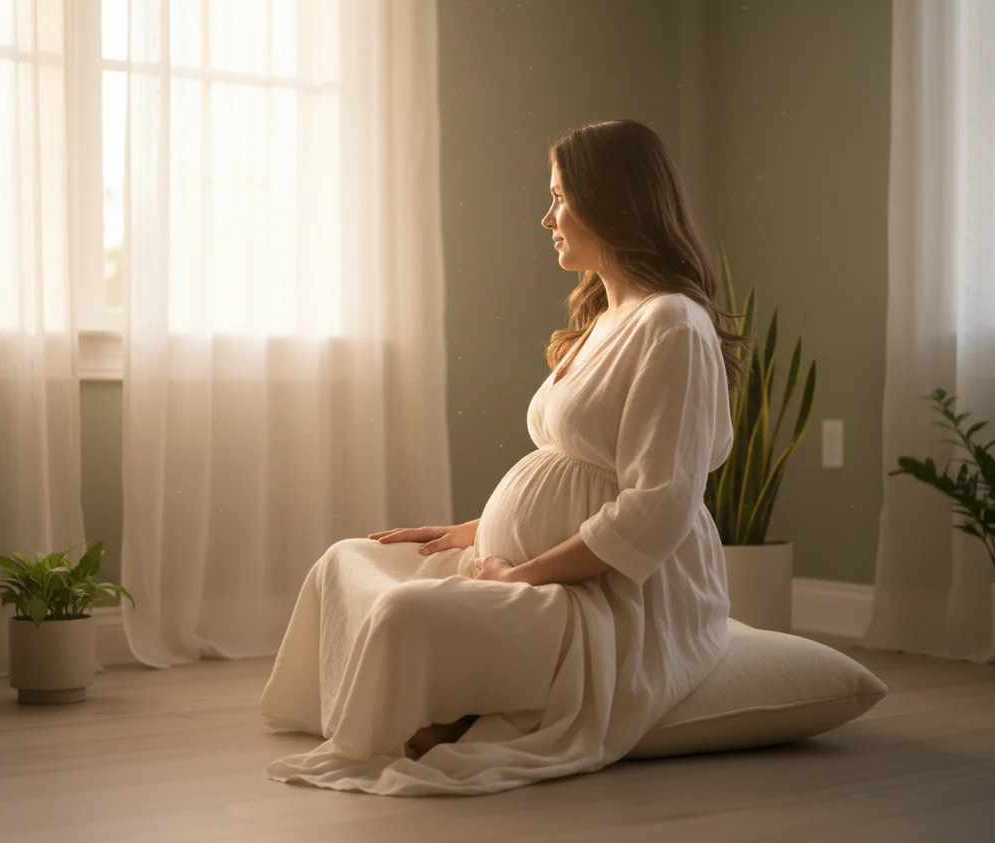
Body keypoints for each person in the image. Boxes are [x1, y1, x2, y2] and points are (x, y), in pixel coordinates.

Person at [259, 119, 745, 796]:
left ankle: (450, 712)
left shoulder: (673, 325)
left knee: (403, 615)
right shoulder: (604, 319)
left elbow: (657, 506)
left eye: (560, 198)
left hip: (612, 597)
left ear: (610, 202)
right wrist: (472, 532)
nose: (546, 218)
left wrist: (520, 576)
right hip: (528, 569)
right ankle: (438, 707)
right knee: (348, 559)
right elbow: (566, 475)